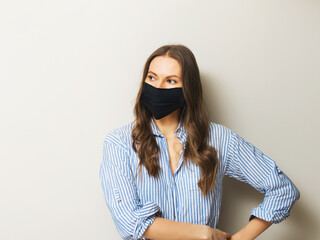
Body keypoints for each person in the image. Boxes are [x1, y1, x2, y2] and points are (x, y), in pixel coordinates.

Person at [99, 44, 300, 240]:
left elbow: (282, 189)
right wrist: (204, 234)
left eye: (171, 81)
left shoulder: (219, 139)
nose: (158, 87)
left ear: (188, 89)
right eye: (152, 77)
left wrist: (240, 238)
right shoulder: (119, 143)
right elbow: (129, 221)